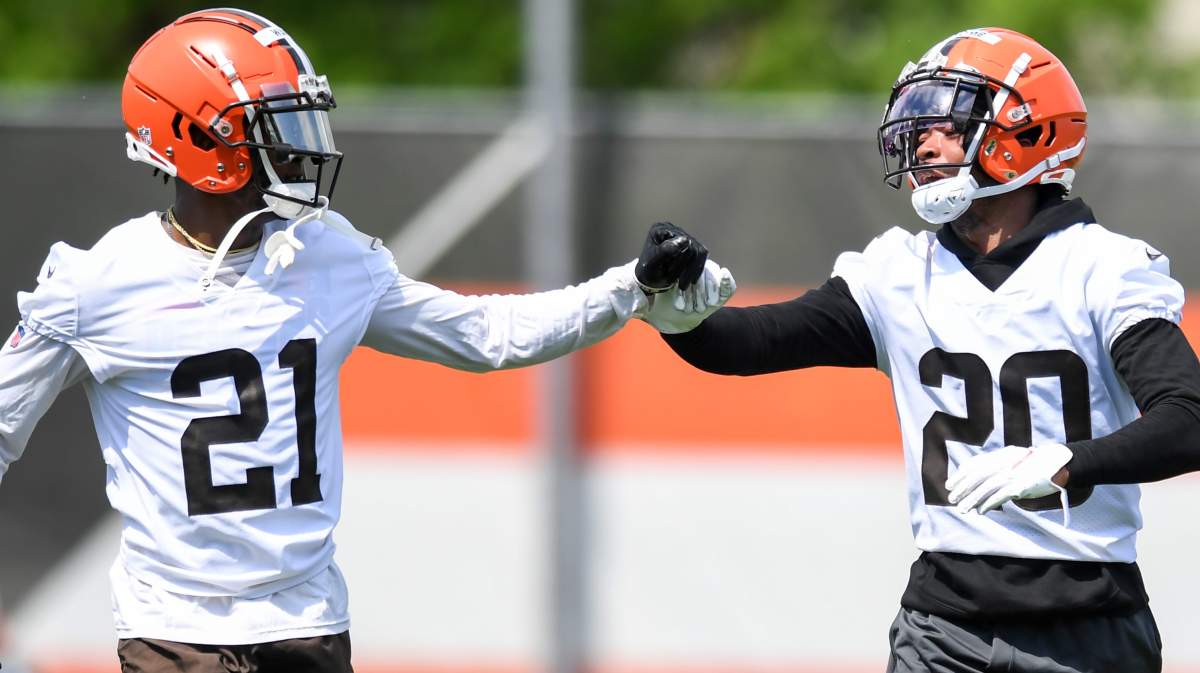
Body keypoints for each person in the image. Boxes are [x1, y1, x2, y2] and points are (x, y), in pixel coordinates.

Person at [0, 8, 735, 672]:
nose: (297, 151)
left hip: (308, 623)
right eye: (272, 129)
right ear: (198, 139)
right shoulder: (96, 284)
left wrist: (629, 289)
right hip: (174, 633)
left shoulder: (327, 254)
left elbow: (486, 334)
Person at [656, 27, 1200, 673]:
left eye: (949, 122)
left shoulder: (1102, 267)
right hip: (943, 628)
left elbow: (1188, 419)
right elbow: (750, 344)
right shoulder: (899, 272)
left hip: (1089, 625)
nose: (923, 141)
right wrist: (679, 317)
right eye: (918, 123)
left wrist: (1066, 462)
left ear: (1027, 131)